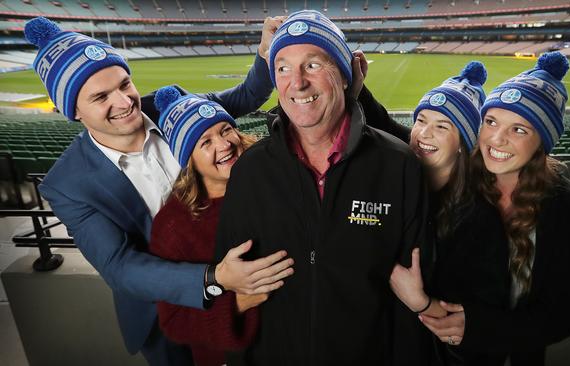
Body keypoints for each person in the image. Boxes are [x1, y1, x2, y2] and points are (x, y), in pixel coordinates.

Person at [25, 16, 294, 365]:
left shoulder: (174, 108)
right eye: (102, 96)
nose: (124, 103)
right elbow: (119, 266)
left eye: (125, 84)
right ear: (72, 110)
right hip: (164, 314)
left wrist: (263, 53)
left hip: (246, 279)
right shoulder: (68, 185)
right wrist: (214, 278)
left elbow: (246, 96)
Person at [214, 9, 431, 365]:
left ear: (345, 77)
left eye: (313, 65)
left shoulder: (399, 166)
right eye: (282, 67)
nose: (296, 82)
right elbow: (234, 290)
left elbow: (409, 307)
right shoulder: (249, 172)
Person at [396, 52, 570, 366]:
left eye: (519, 130)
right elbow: (413, 138)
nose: (496, 139)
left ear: (543, 140)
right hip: (434, 352)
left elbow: (566, 316)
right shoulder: (461, 179)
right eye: (491, 122)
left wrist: (479, 328)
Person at [148, 86, 290, 365]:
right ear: (189, 161)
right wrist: (238, 303)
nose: (224, 144)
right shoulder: (173, 224)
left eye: (226, 130)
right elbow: (174, 321)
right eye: (205, 142)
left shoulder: (274, 176)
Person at [389, 62, 511, 366]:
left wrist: (420, 302)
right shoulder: (395, 190)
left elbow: (475, 324)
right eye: (420, 120)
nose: (423, 134)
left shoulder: (479, 220)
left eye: (442, 126)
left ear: (462, 144)